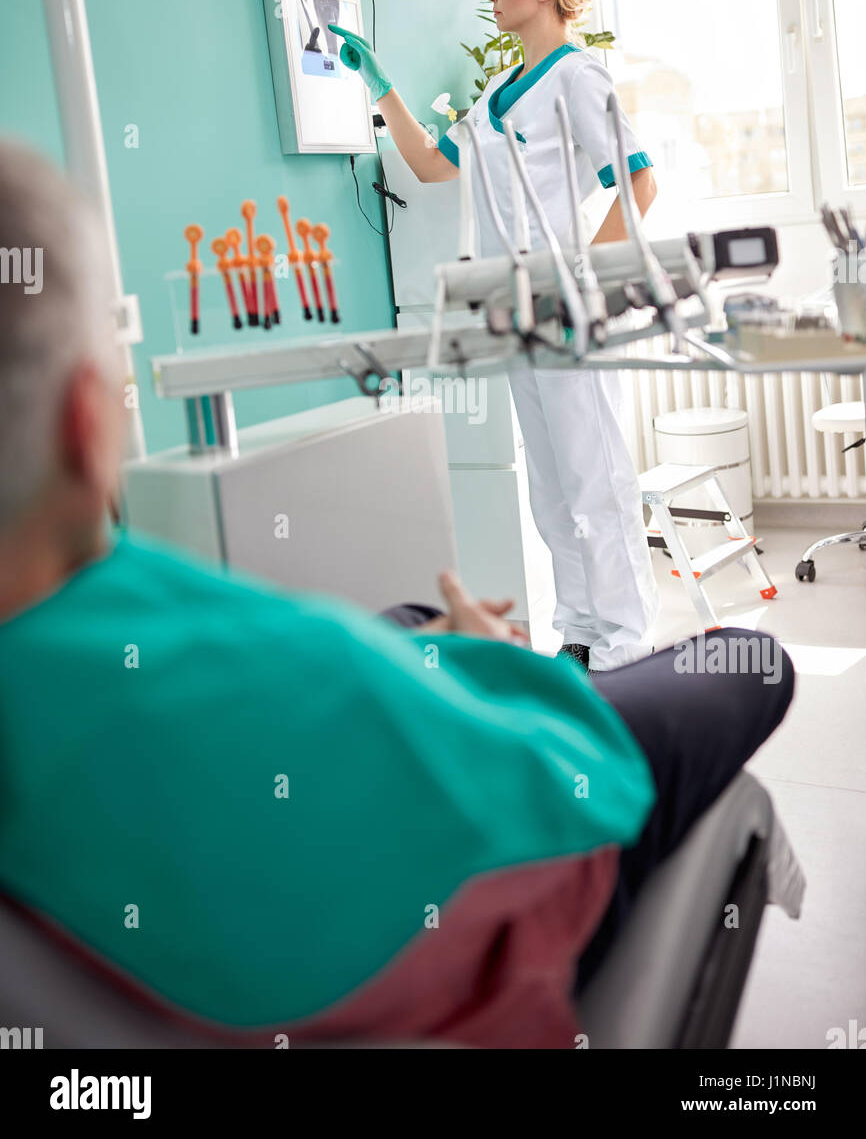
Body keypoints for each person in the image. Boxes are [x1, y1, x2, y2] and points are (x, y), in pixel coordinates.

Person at [0, 141, 793, 1049]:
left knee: (414, 623)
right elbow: (555, 786)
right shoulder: (275, 670)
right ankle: (519, 666)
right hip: (506, 805)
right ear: (87, 421)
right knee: (748, 658)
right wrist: (504, 682)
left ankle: (470, 652)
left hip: (340, 726)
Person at [330, 0, 659, 675]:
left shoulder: (579, 78)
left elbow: (637, 181)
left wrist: (584, 287)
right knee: (551, 485)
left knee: (596, 479)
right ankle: (578, 632)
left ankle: (627, 646)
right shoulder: (497, 95)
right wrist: (379, 86)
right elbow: (428, 165)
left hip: (567, 313)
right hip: (515, 314)